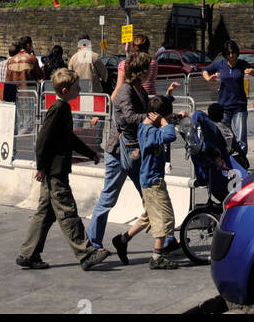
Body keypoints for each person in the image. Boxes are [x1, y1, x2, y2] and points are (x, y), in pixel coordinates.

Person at [87, 53, 178, 262]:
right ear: (140, 71)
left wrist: (166, 103)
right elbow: (127, 117)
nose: (150, 73)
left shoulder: (139, 91)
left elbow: (149, 109)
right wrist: (151, 119)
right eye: (148, 69)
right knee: (108, 197)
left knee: (151, 196)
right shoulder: (125, 91)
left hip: (135, 152)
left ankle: (165, 238)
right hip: (119, 152)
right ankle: (93, 243)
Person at [16, 68, 100, 271]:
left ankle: (28, 254)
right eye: (76, 87)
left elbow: (69, 139)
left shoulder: (63, 108)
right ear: (65, 90)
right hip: (54, 171)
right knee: (67, 211)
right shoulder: (59, 109)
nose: (79, 89)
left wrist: (91, 154)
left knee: (45, 213)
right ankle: (86, 253)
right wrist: (41, 166)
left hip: (54, 169)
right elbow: (42, 140)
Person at [111, 95, 180, 271]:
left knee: (149, 216)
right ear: (157, 116)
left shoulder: (148, 128)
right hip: (153, 182)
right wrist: (165, 123)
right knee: (165, 218)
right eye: (164, 117)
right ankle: (157, 256)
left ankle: (123, 239)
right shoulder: (150, 131)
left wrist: (173, 117)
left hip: (151, 179)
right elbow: (171, 135)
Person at [201, 41, 254, 156]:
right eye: (228, 53)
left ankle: (242, 162)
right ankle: (226, 160)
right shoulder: (220, 64)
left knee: (240, 138)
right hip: (224, 106)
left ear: (237, 53)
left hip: (239, 106)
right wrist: (208, 78)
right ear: (225, 54)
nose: (231, 55)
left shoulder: (242, 64)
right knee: (224, 136)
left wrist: (253, 72)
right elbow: (205, 70)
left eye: (233, 52)